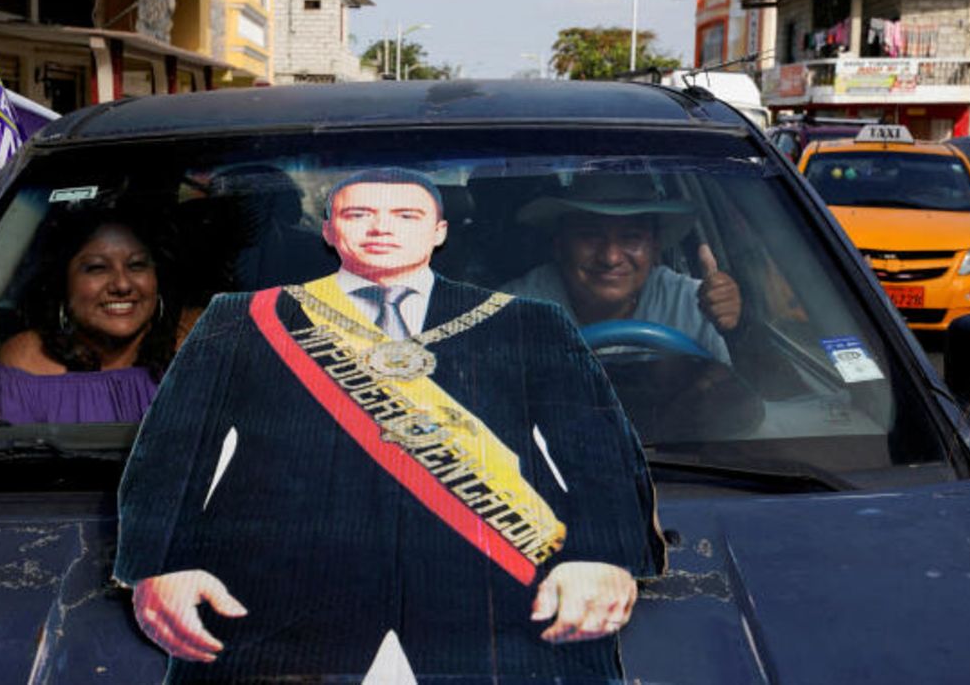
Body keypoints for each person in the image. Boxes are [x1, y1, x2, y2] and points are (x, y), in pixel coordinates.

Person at [114, 168, 665, 683]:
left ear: (440, 231)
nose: (381, 228)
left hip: (491, 586)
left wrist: (604, 555)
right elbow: (173, 449)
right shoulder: (244, 318)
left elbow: (597, 450)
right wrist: (160, 564)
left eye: (406, 215)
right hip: (277, 585)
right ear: (328, 230)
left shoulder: (525, 321)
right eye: (359, 216)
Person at [0, 207, 184, 424]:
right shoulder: (25, 364)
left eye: (136, 265)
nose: (122, 285)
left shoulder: (198, 345)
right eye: (97, 268)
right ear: (62, 282)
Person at [503, 173, 743, 363]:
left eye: (631, 237)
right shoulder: (513, 312)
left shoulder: (694, 304)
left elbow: (737, 407)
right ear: (559, 245)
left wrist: (739, 329)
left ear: (654, 248)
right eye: (590, 236)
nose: (610, 257)